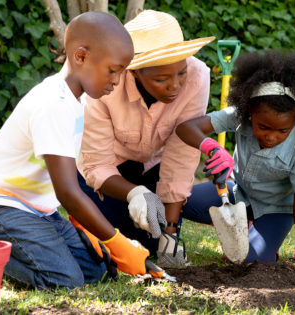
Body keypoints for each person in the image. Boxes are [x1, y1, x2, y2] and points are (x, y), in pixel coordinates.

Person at [0, 12, 163, 290]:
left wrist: (92, 233)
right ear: (81, 57)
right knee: (64, 280)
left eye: (121, 72)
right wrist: (117, 242)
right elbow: (68, 191)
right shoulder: (53, 102)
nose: (116, 80)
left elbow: (61, 184)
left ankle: (0, 244)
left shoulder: (78, 102)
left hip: (35, 209)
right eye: (112, 70)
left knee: (99, 270)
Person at [76, 10, 215, 268]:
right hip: (107, 173)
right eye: (162, 79)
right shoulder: (103, 86)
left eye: (180, 73)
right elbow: (97, 165)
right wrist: (135, 193)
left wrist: (171, 234)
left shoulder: (198, 76)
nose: (175, 85)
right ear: (134, 71)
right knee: (111, 247)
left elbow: (181, 155)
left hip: (154, 166)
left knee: (152, 245)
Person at [175, 51, 295, 263]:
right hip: (239, 194)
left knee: (246, 260)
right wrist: (212, 148)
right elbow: (186, 128)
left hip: (276, 211)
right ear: (249, 111)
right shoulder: (239, 116)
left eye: (283, 131)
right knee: (179, 201)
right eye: (263, 127)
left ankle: (261, 237)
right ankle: (243, 226)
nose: (271, 137)